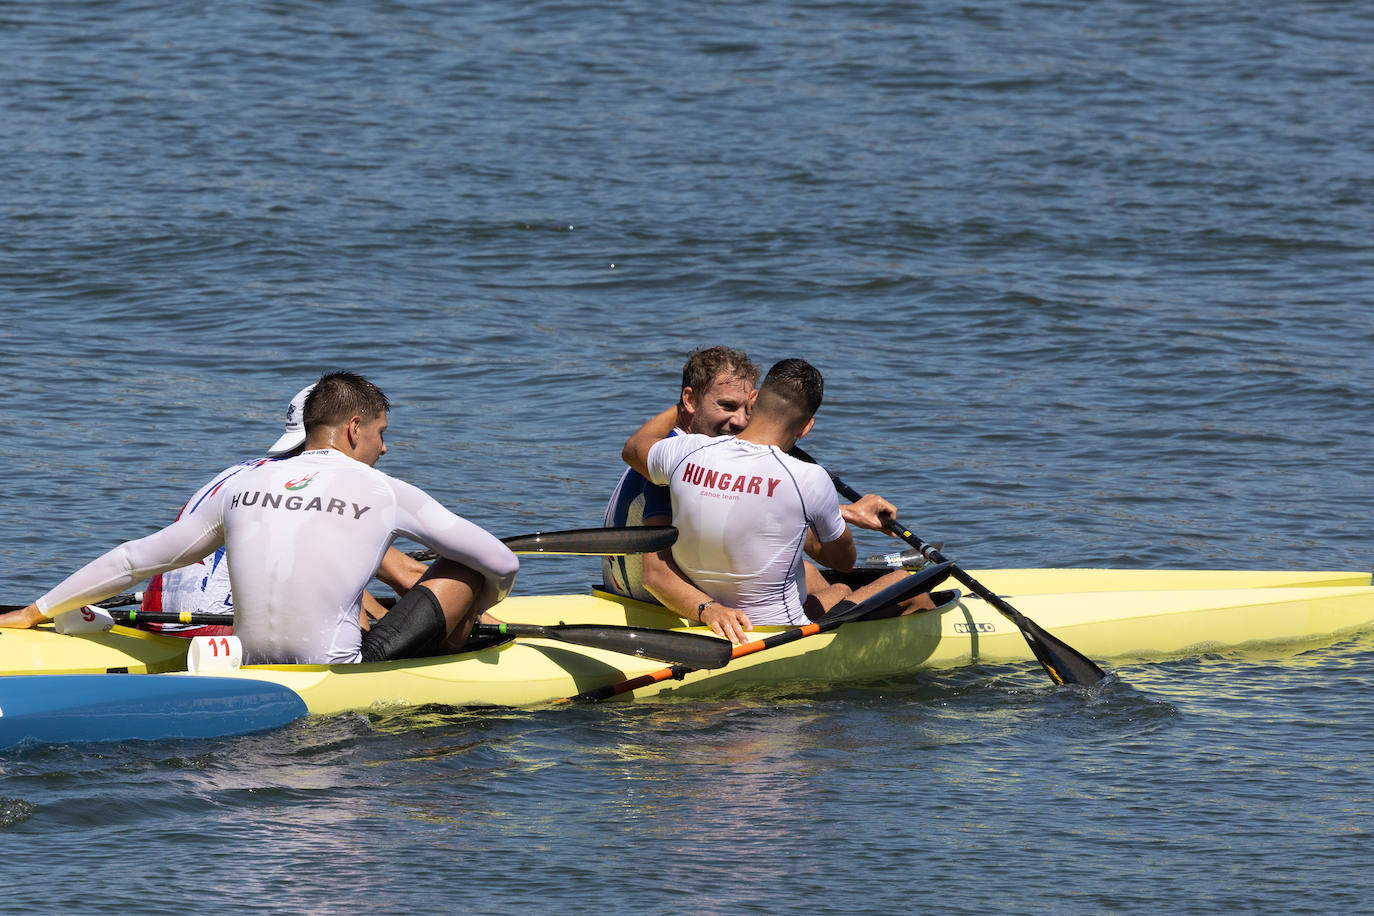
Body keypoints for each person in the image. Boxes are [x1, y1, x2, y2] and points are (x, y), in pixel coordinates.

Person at [0, 372, 519, 665]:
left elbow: (134, 558)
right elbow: (501, 558)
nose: (385, 448)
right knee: (469, 569)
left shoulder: (240, 484)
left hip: (247, 662)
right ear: (355, 427)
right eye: (383, 433)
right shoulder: (384, 489)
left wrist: (35, 610)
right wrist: (476, 607)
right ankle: (453, 653)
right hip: (340, 673)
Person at [621, 358, 934, 644]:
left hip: (708, 614)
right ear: (807, 426)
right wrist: (836, 516)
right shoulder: (810, 478)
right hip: (778, 631)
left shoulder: (684, 450)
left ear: (754, 400)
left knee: (835, 588)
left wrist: (684, 407)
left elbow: (635, 446)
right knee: (902, 581)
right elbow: (842, 561)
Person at [140, 384, 428, 638]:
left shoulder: (241, 472)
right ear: (348, 432)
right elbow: (404, 574)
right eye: (378, 434)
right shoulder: (312, 485)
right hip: (213, 630)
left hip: (156, 623)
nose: (384, 449)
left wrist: (383, 617)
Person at [602, 345, 760, 602]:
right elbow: (656, 574)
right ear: (690, 400)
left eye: (748, 410)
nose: (740, 421)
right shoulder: (679, 459)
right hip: (653, 604)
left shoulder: (660, 448)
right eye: (727, 406)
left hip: (621, 595)